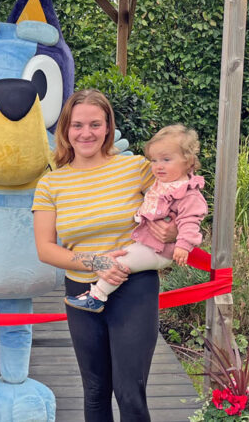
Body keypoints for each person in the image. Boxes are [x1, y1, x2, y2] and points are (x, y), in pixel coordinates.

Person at [32, 89, 176, 421]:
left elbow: (180, 203)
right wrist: (98, 262)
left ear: (108, 127)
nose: (86, 133)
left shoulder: (136, 168)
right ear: (66, 129)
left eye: (95, 124)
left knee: (129, 392)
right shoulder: (50, 184)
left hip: (134, 289)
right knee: (95, 391)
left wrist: (173, 230)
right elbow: (45, 249)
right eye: (78, 125)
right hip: (81, 292)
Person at [65, 124, 207, 313]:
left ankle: (97, 297)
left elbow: (190, 221)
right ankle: (96, 295)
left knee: (120, 263)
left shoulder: (187, 193)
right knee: (121, 257)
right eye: (154, 160)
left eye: (166, 159)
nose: (158, 166)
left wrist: (182, 245)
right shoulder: (166, 182)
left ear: (188, 161)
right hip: (149, 244)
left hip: (158, 250)